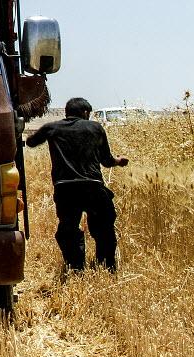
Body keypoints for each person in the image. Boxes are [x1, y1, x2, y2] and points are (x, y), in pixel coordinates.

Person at [27, 97, 130, 273]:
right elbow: (106, 160)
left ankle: (76, 267)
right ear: (85, 113)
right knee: (104, 228)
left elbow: (30, 143)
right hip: (93, 187)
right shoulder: (95, 128)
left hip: (65, 188)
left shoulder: (52, 128)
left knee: (68, 229)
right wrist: (119, 161)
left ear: (67, 112)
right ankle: (106, 267)